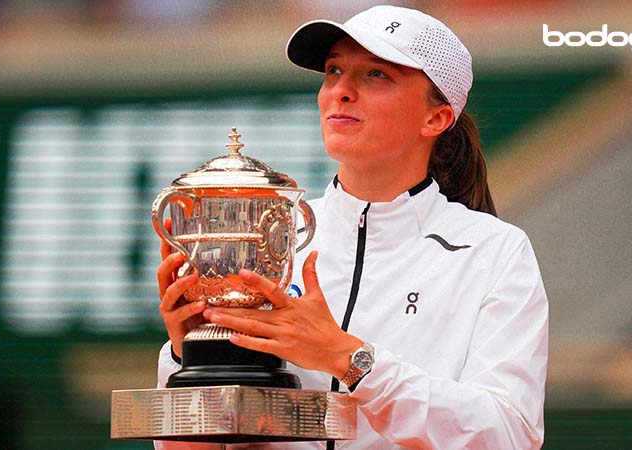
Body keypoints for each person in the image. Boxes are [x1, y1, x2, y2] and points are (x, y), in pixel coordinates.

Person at [155, 5, 548, 449]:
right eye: (333, 70)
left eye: (376, 75)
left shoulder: (493, 251)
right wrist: (190, 358)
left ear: (435, 118)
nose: (340, 90)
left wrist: (351, 361)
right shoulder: (271, 239)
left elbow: (510, 434)